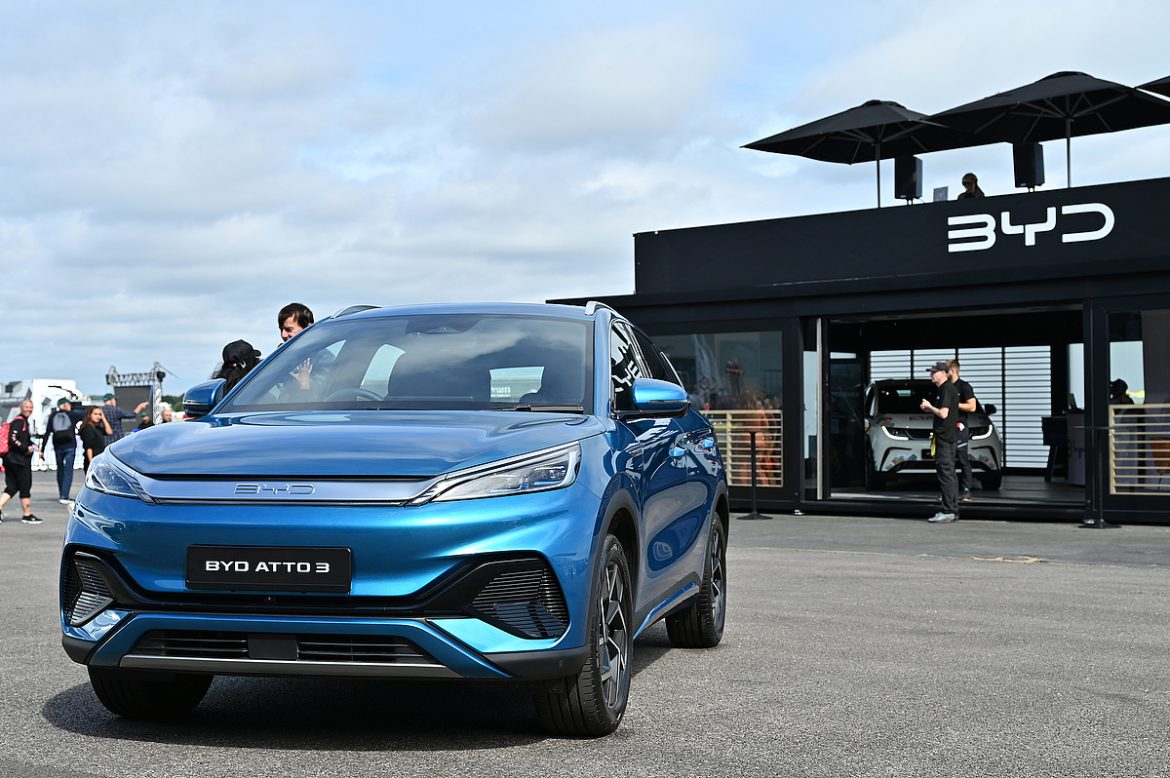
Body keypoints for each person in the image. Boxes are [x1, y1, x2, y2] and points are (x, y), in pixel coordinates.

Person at [920, 362, 959, 524]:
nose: (931, 375)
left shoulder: (946, 389)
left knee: (945, 474)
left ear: (944, 373)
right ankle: (952, 509)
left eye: (934, 372)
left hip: (945, 438)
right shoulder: (945, 389)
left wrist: (929, 407)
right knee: (949, 473)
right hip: (945, 437)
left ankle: (948, 510)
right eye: (931, 372)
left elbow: (943, 413)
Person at [0, 400, 42, 524]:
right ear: (21, 408)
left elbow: (25, 439)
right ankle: (27, 514)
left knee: (12, 487)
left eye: (31, 407)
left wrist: (33, 446)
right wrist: (26, 448)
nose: (29, 409)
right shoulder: (19, 421)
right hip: (18, 461)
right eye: (27, 407)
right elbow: (13, 439)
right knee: (25, 486)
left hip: (11, 460)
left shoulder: (22, 421)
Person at [39, 397, 86, 504]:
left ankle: (62, 494)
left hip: (57, 446)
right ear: (65, 405)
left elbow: (47, 432)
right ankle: (65, 496)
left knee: (60, 470)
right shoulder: (72, 415)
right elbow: (84, 415)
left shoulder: (53, 415)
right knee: (68, 471)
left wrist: (42, 449)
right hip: (70, 445)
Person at [948, 359, 979, 502]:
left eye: (945, 370)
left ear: (953, 371)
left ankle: (966, 490)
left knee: (962, 457)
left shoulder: (964, 386)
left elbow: (972, 407)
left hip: (959, 426)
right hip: (946, 427)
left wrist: (956, 404)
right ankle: (948, 492)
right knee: (946, 460)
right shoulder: (945, 387)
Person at [79, 406, 113, 472]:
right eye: (95, 414)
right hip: (93, 460)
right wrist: (91, 463)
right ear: (89, 415)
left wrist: (103, 418)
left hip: (99, 459)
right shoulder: (87, 428)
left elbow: (109, 432)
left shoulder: (97, 428)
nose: (98, 416)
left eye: (99, 414)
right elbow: (88, 447)